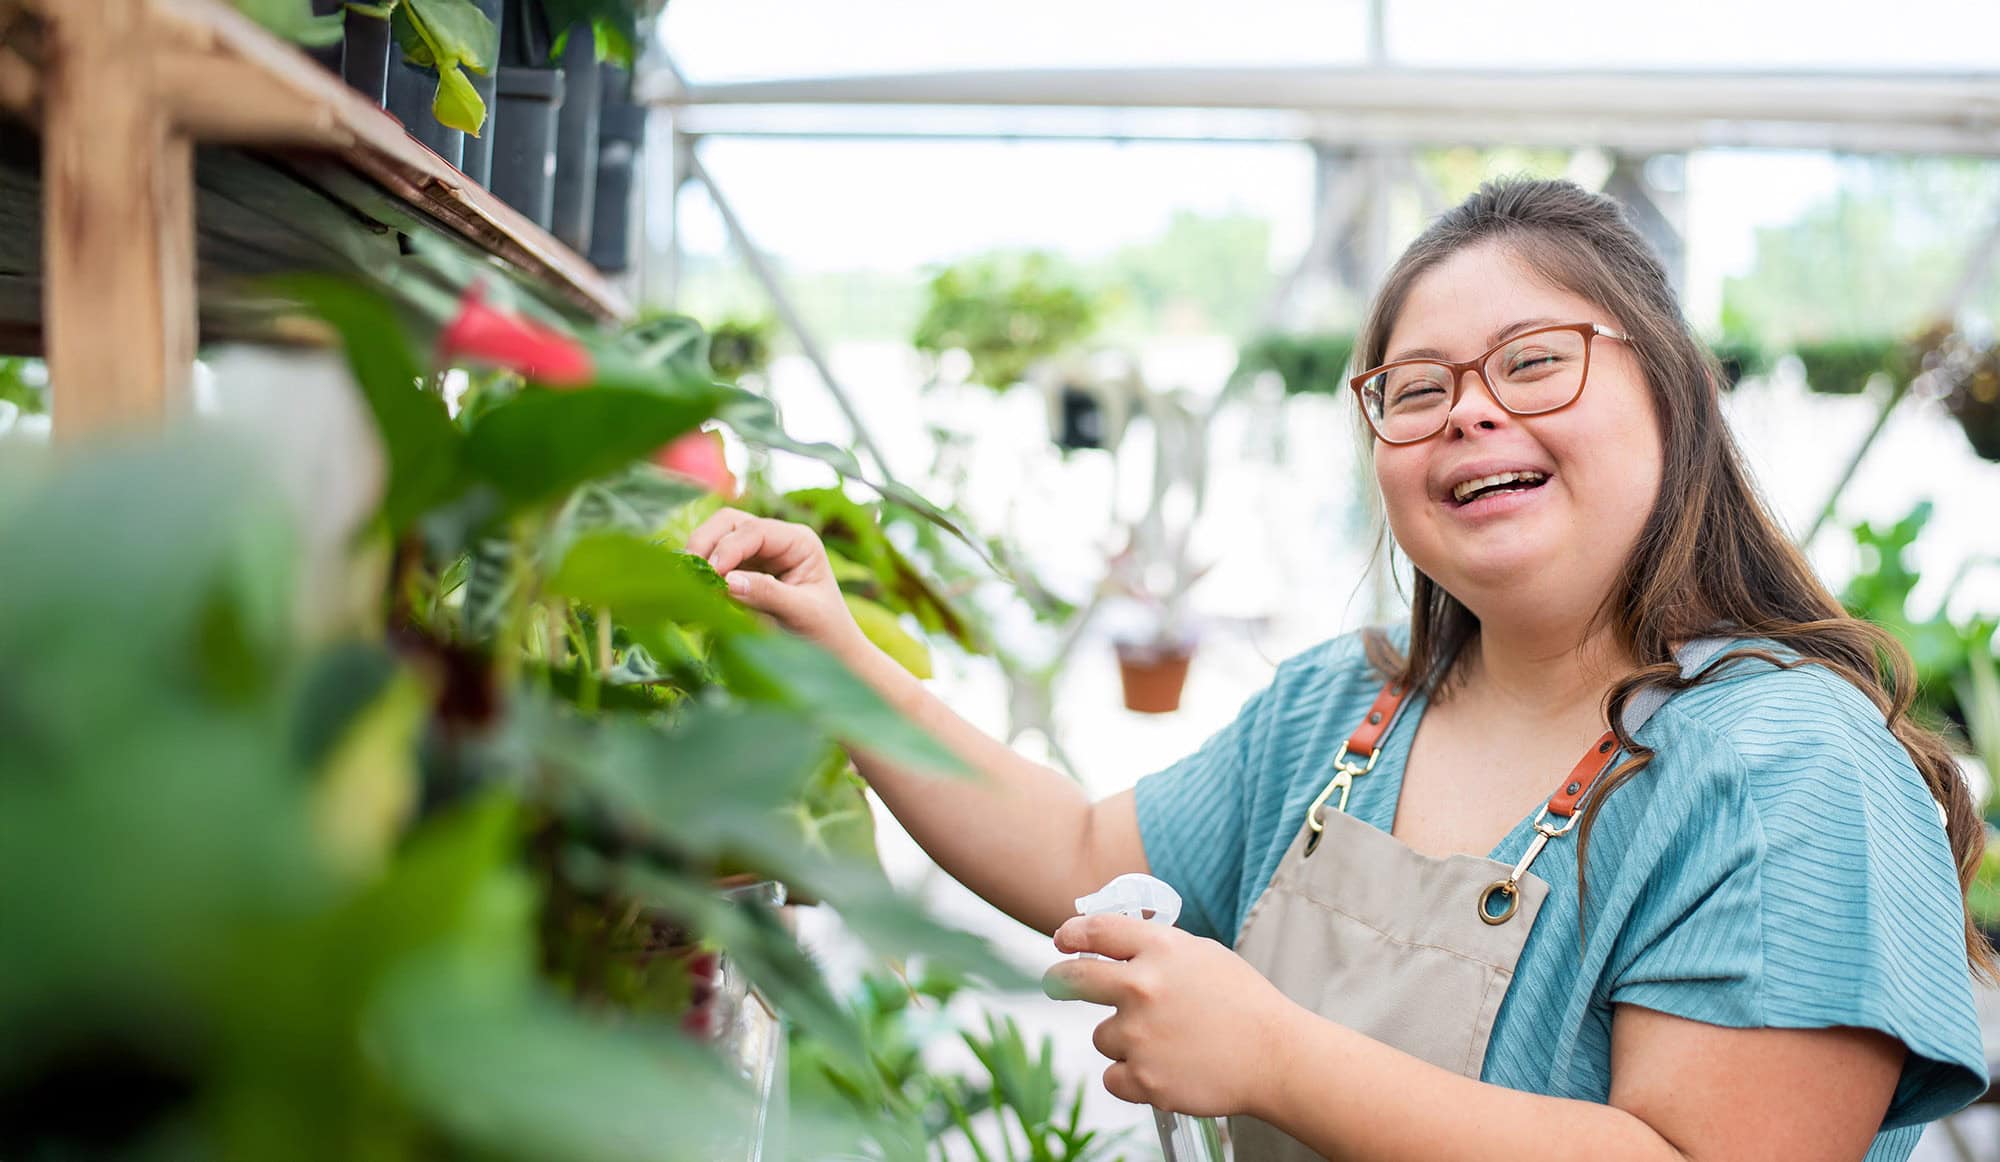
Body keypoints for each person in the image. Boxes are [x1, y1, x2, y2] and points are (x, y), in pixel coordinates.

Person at [686, 178, 1990, 1161]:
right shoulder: (1344, 709)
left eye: (1535, 360)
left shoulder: (1790, 768)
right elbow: (1079, 841)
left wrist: (1274, 1053)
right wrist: (834, 654)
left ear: (1672, 398)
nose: (1471, 408)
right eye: (1415, 388)